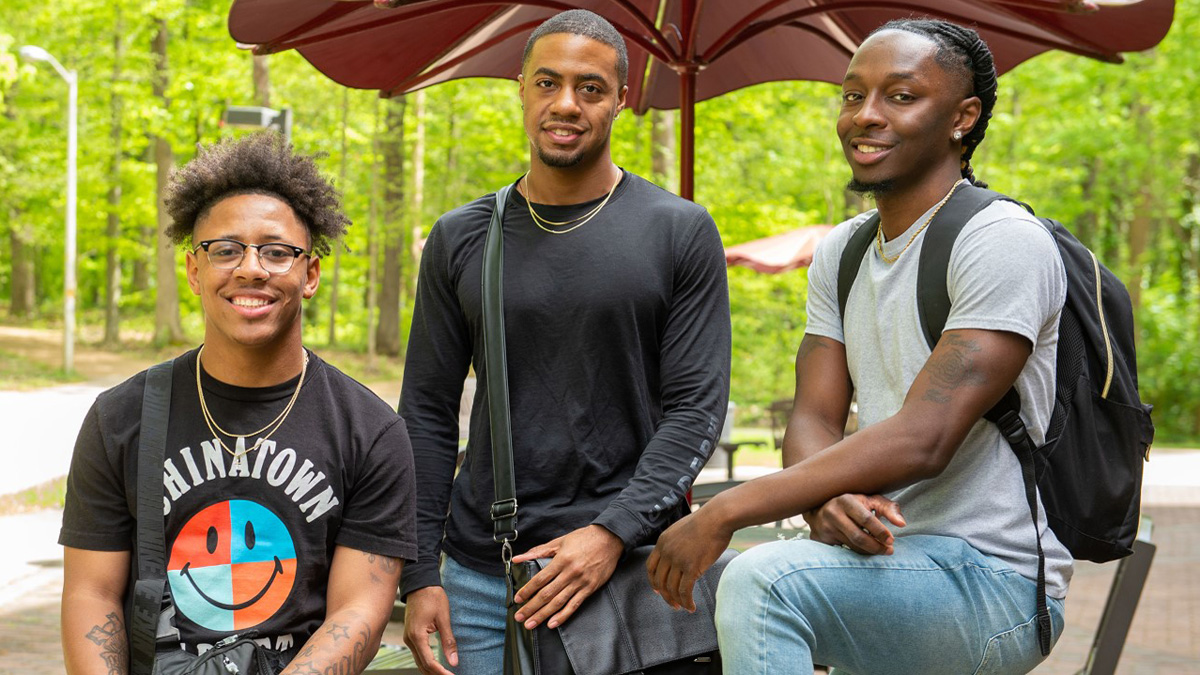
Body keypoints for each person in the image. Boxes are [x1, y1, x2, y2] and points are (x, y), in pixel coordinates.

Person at [648, 19, 1072, 675]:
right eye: (852, 95)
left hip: (993, 581)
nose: (865, 116)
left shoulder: (1001, 240)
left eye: (900, 96)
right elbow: (815, 416)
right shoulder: (842, 254)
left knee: (766, 583)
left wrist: (726, 507)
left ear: (963, 117)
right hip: (882, 561)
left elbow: (922, 437)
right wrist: (821, 501)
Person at [397, 9, 731, 675]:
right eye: (547, 83)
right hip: (483, 578)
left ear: (621, 99)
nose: (566, 104)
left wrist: (613, 530)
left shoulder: (680, 230)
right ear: (520, 87)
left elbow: (695, 408)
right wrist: (417, 573)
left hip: (630, 567)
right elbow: (426, 413)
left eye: (590, 87)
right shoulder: (463, 236)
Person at [59, 132, 419, 674]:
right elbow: (92, 593)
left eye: (277, 251)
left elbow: (359, 608)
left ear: (311, 273)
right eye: (225, 249)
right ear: (194, 271)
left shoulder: (370, 430)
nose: (251, 268)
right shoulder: (120, 418)